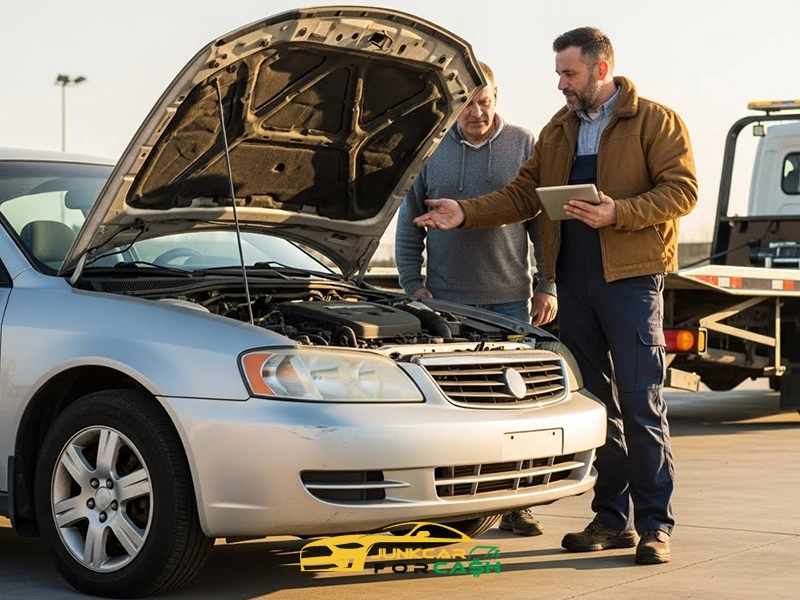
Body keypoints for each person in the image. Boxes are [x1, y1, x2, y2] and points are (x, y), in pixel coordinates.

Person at [411, 28, 698, 565]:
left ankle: (655, 524)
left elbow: (683, 190)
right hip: (575, 279)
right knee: (597, 405)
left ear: (600, 69)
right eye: (559, 74)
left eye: (569, 73)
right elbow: (523, 194)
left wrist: (621, 212)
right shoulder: (558, 130)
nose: (561, 84)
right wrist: (465, 212)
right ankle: (612, 519)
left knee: (640, 403)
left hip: (632, 279)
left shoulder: (654, 121)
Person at [394, 61, 557, 536]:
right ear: (453, 102)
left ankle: (518, 503)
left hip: (510, 303)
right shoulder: (430, 150)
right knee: (458, 411)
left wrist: (547, 284)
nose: (477, 112)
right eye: (468, 102)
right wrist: (413, 286)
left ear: (497, 97)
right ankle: (458, 501)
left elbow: (542, 226)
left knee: (517, 410)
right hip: (446, 306)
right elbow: (410, 225)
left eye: (485, 101)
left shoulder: (524, 145)